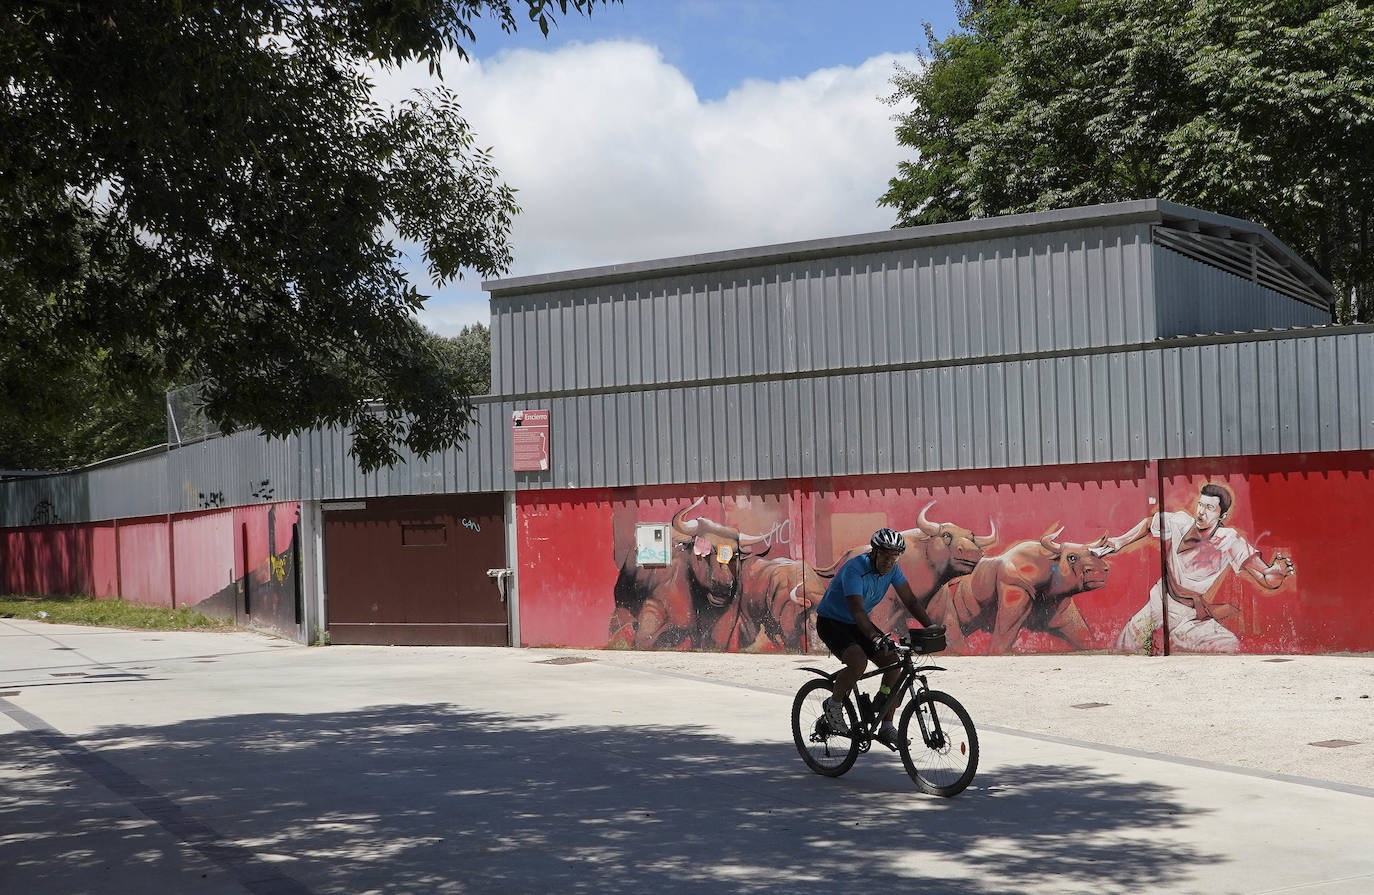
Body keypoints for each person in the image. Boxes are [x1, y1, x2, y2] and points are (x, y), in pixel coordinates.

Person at [1108, 483, 1295, 653]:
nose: (1201, 512)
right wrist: (1120, 541)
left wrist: (1276, 573)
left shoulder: (1229, 540)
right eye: (1200, 505)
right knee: (1125, 646)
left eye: (1210, 508)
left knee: (1229, 644)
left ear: (1222, 515)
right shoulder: (1180, 522)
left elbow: (1266, 578)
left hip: (1189, 616)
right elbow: (1150, 524)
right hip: (1159, 602)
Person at [814, 527, 940, 747]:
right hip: (832, 622)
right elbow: (857, 610)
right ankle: (833, 704)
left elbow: (910, 601)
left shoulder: (893, 570)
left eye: (894, 556)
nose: (889, 560)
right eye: (885, 554)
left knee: (893, 661)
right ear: (874, 552)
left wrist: (931, 627)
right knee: (858, 662)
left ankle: (886, 725)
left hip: (857, 623)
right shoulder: (855, 569)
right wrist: (875, 637)